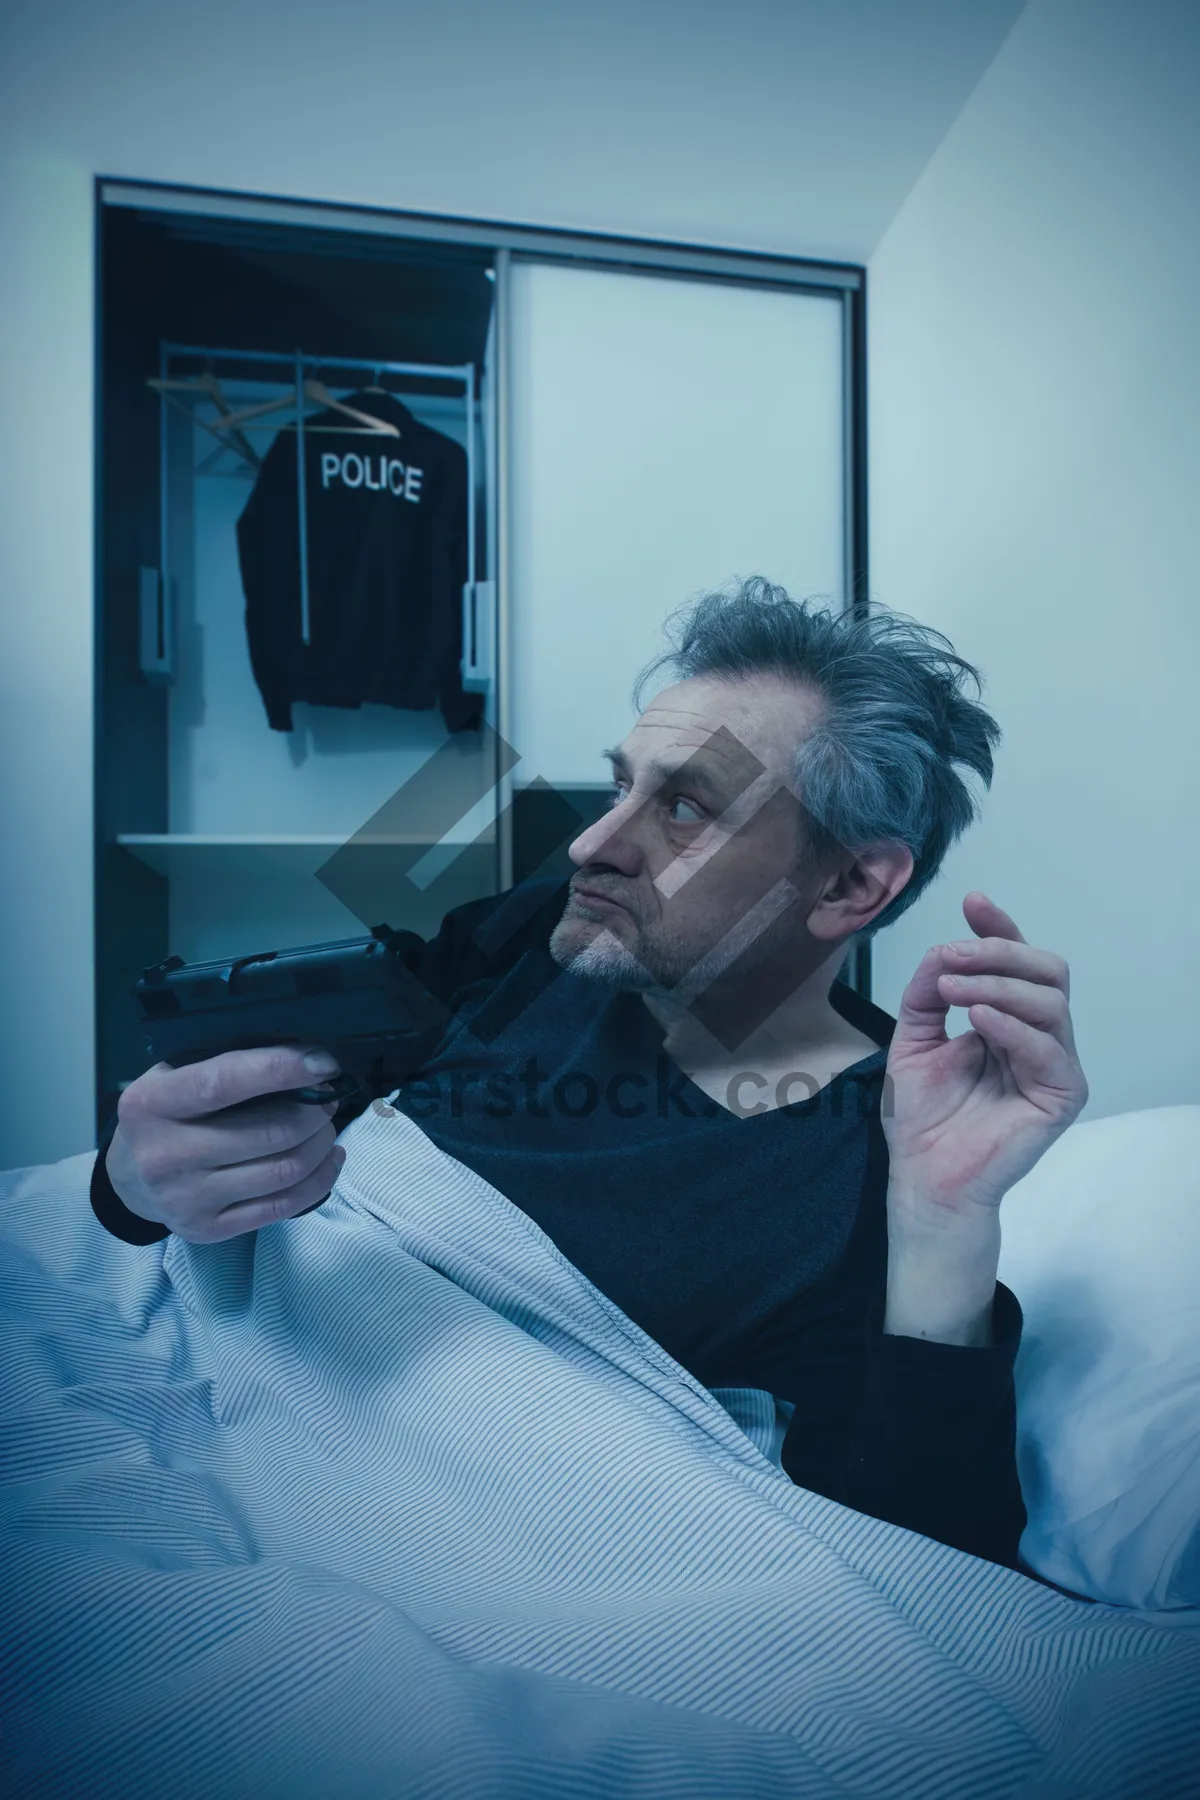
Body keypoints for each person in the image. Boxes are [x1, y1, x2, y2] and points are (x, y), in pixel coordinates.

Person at [91, 580, 1088, 1570]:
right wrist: (134, 1180)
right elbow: (188, 1181)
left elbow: (931, 1570)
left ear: (848, 886)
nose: (592, 845)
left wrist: (945, 1224)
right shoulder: (541, 940)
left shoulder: (876, 1162)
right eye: (624, 788)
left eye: (686, 809)